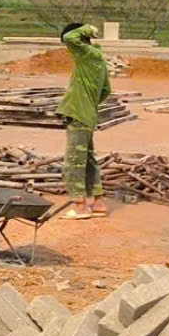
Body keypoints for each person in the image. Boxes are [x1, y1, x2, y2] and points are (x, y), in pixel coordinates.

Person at [55, 22, 111, 220]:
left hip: (79, 114)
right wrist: (90, 102)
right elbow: (106, 90)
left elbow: (69, 37)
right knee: (88, 159)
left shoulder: (86, 54)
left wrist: (87, 28)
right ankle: (98, 202)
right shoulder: (99, 60)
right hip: (88, 114)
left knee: (74, 161)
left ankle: (80, 206)